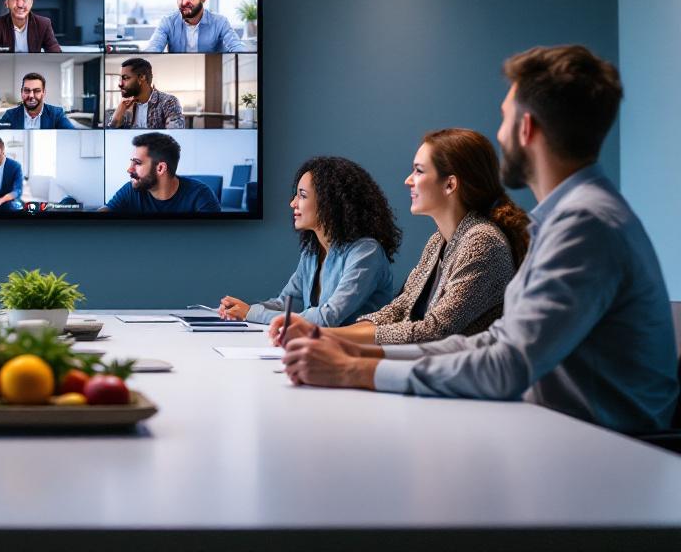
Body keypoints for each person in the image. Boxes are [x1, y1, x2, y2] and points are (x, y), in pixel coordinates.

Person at [281, 45, 678, 434]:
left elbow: (506, 365)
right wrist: (355, 352)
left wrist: (355, 369)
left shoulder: (583, 223)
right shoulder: (573, 216)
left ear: (526, 129)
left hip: (609, 451)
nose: (500, 134)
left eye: (503, 118)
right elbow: (493, 344)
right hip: (569, 432)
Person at [274, 129, 528, 347]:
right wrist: (323, 334)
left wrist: (328, 336)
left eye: (418, 171)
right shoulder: (438, 242)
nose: (408, 180)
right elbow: (400, 308)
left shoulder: (482, 241)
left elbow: (435, 331)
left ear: (450, 185)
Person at [220, 157, 398, 327]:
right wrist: (243, 309)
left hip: (357, 354)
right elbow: (287, 305)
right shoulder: (313, 251)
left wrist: (251, 313)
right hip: (323, 348)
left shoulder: (366, 252)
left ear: (330, 203)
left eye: (302, 196)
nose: (293, 203)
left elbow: (327, 318)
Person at [100, 132, 219, 213]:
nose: (129, 169)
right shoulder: (131, 190)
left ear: (161, 168)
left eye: (137, 163)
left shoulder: (200, 195)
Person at [143, 0, 245, 53]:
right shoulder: (168, 22)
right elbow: (153, 48)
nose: (184, 2)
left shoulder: (220, 22)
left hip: (211, 73)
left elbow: (237, 47)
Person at [105, 58, 186, 129]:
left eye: (125, 78)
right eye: (120, 79)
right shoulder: (125, 106)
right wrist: (119, 111)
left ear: (141, 78)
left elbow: (175, 135)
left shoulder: (168, 101)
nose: (120, 84)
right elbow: (111, 135)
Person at [0, 73, 77, 129]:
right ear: (21, 92)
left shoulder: (56, 114)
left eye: (37, 91)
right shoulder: (9, 115)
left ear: (44, 93)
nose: (31, 95)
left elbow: (72, 135)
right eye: (26, 90)